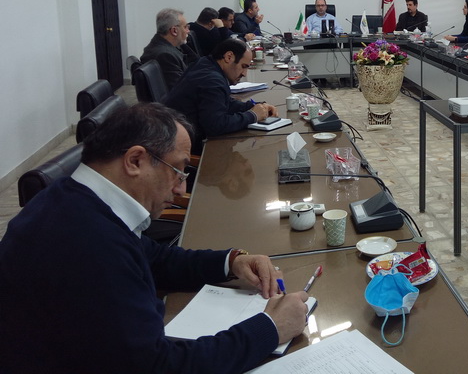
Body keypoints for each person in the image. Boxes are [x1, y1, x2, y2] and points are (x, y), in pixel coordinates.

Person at [0, 103, 308, 374]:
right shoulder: (88, 244)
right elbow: (158, 367)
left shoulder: (74, 198)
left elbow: (154, 257)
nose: (181, 189)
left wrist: (231, 262)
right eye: (179, 170)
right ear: (135, 160)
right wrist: (271, 328)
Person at [164, 38, 278, 153]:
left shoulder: (206, 63)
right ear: (229, 57)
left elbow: (224, 102)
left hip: (176, 135)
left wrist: (254, 107)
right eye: (243, 66)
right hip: (185, 148)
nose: (244, 73)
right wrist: (253, 115)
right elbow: (216, 126)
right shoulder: (212, 80)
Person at [141, 8, 198, 90]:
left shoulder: (162, 46)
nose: (188, 31)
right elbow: (181, 90)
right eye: (185, 27)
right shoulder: (165, 55)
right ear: (174, 31)